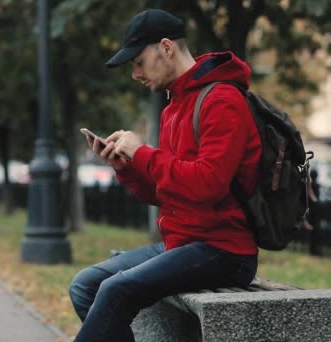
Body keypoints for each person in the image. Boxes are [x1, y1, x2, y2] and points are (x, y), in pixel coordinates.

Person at [69, 9, 262, 342]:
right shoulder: (174, 106)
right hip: (182, 241)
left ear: (166, 48)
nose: (135, 74)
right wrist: (126, 167)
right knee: (85, 285)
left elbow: (208, 185)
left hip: (224, 249)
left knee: (116, 290)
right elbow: (162, 192)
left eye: (139, 62)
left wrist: (143, 153)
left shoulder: (222, 100)